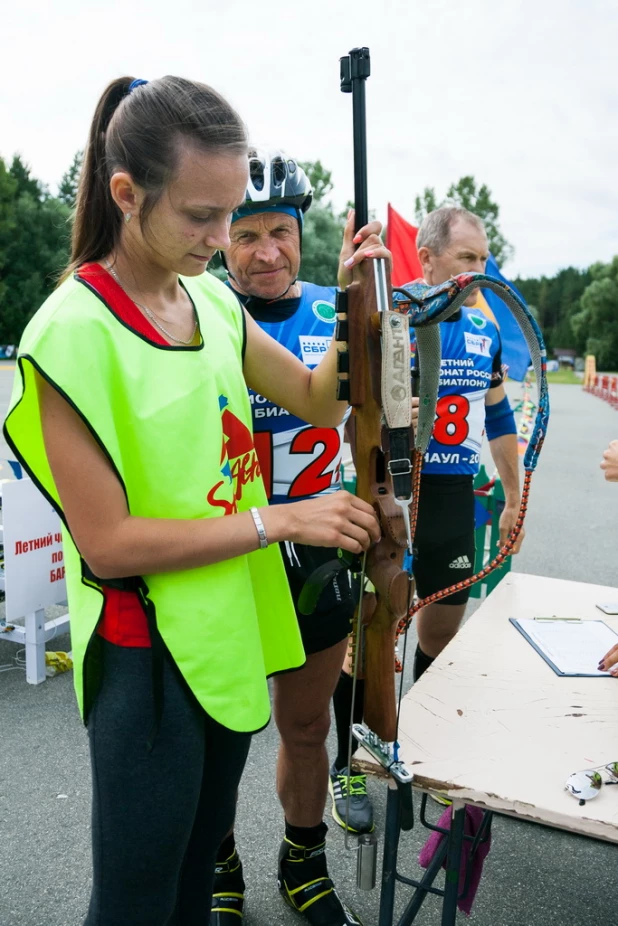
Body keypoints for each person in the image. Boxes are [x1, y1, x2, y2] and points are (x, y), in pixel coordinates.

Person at [3, 77, 382, 926]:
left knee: (192, 885)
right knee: (138, 900)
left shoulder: (208, 298)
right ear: (128, 195)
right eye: (201, 217)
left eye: (235, 212)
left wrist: (356, 298)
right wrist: (279, 520)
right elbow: (107, 545)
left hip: (228, 633)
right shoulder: (71, 331)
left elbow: (320, 399)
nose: (224, 240)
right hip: (146, 659)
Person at [209, 149, 373, 926]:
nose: (267, 251)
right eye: (247, 235)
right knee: (215, 733)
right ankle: (218, 857)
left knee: (306, 725)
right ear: (219, 238)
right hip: (225, 547)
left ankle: (301, 856)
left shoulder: (330, 306)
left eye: (281, 231)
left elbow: (359, 416)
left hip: (315, 551)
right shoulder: (196, 312)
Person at [331, 204, 524, 813]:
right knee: (367, 634)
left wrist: (515, 492)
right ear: (432, 257)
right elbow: (339, 401)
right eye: (467, 258)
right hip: (386, 488)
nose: (479, 271)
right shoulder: (394, 311)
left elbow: (496, 413)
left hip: (453, 493)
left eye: (485, 260)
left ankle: (415, 744)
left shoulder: (485, 326)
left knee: (441, 635)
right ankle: (349, 762)